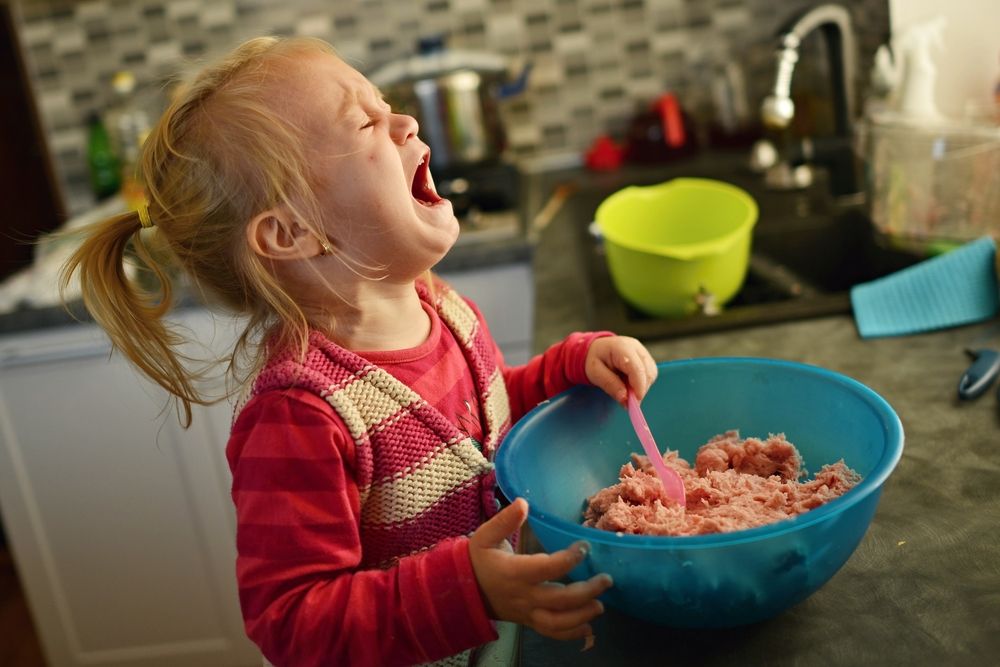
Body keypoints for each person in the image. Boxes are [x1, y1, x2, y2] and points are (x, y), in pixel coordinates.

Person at [60, 36, 658, 666]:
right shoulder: (300, 413)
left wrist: (571, 367)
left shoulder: (439, 305)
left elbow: (491, 412)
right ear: (293, 232)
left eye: (387, 104)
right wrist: (467, 590)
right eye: (367, 121)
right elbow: (291, 623)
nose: (406, 121)